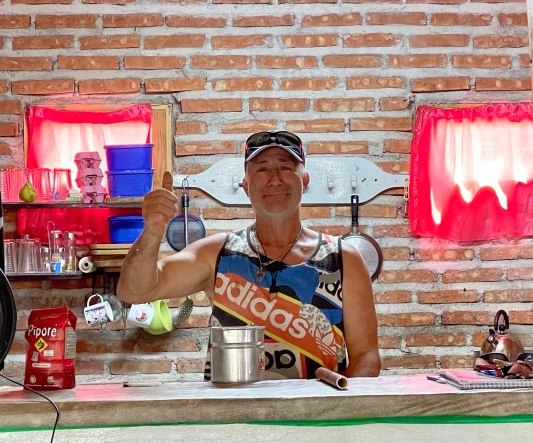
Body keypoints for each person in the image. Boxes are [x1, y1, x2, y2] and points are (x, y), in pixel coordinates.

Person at [117, 130, 381, 379]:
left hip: (318, 411)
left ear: (305, 180)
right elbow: (134, 292)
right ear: (245, 184)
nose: (274, 178)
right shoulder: (217, 253)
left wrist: (336, 407)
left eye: (286, 167)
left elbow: (366, 357)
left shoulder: (343, 257)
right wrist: (152, 232)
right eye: (262, 168)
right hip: (234, 412)